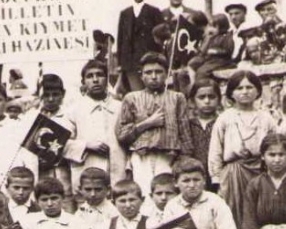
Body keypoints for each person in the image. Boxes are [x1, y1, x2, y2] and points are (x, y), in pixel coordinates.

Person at [209, 70, 278, 227]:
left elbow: (276, 145)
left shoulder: (266, 118)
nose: (245, 92)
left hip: (260, 171)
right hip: (234, 173)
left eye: (249, 87)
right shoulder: (225, 118)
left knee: (261, 211)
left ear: (258, 91)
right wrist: (217, 180)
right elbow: (215, 151)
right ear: (231, 93)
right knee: (235, 214)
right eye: (239, 88)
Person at [116, 53, 192, 191]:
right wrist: (148, 123)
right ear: (141, 75)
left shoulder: (177, 98)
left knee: (167, 193)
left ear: (166, 74)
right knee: (144, 193)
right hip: (141, 157)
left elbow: (185, 134)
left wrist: (184, 161)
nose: (154, 76)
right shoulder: (131, 98)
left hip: (169, 157)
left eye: (158, 72)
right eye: (148, 72)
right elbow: (122, 135)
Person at [66, 59, 123, 182]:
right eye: (90, 76)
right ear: (83, 82)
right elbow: (61, 143)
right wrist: (86, 145)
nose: (95, 80)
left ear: (107, 79)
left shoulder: (120, 107)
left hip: (118, 170)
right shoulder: (73, 110)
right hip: (87, 170)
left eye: (100, 75)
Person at [116, 0, 165, 94]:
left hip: (149, 60)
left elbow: (161, 37)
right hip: (130, 62)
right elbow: (120, 39)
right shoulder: (125, 13)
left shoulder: (154, 11)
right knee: (137, 93)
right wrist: (120, 63)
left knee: (152, 90)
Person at [182, 79, 223, 172]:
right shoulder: (187, 125)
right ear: (192, 101)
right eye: (201, 97)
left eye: (212, 97)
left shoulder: (223, 123)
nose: (207, 101)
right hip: (194, 173)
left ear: (219, 99)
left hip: (220, 171)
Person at [189, 13, 235, 87]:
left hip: (221, 61)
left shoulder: (226, 37)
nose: (211, 29)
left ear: (222, 27)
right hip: (210, 60)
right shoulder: (211, 37)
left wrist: (216, 51)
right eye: (210, 26)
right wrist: (208, 39)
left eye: (214, 27)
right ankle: (193, 85)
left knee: (202, 72)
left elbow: (228, 50)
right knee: (193, 64)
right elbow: (203, 51)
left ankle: (201, 87)